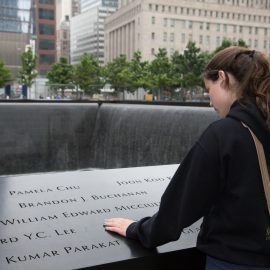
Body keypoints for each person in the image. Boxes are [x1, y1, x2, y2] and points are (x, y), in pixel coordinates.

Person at [103, 46, 270, 270]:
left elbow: (178, 208)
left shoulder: (224, 135)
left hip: (234, 261)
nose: (210, 102)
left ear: (222, 78)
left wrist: (137, 229)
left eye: (208, 89)